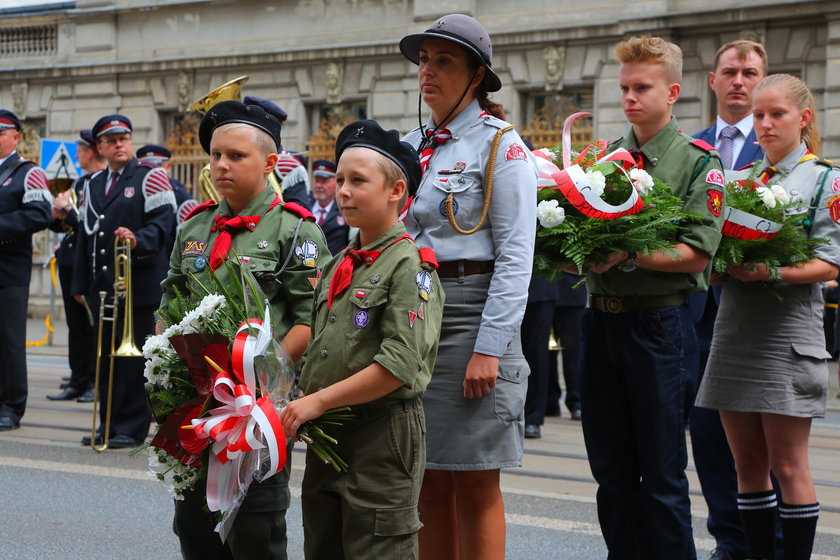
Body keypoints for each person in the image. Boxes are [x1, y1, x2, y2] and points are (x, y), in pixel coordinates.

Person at [158, 99, 328, 560]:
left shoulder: (296, 231)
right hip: (194, 402)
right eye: (215, 155)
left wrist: (259, 379)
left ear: (270, 163)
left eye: (236, 155)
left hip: (255, 407)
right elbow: (169, 301)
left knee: (256, 530)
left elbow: (311, 318)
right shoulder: (194, 226)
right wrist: (166, 361)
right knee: (193, 525)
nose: (220, 165)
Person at [578, 36, 724, 559]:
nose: (630, 97)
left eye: (642, 87)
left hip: (659, 327)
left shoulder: (696, 162)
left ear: (674, 93)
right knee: (611, 473)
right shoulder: (602, 161)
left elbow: (697, 252)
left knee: (661, 475)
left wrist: (627, 255)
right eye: (624, 88)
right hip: (599, 324)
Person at [399, 14, 537, 559]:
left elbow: (515, 256)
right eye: (424, 60)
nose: (427, 71)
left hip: (471, 314)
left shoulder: (501, 145)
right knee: (427, 476)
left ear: (477, 75)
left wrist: (491, 347)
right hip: (416, 316)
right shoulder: (411, 147)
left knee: (476, 479)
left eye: (444, 61)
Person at [279, 119, 443, 559]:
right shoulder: (341, 264)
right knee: (323, 545)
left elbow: (399, 365)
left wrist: (317, 401)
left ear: (396, 192)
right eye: (339, 180)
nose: (343, 191)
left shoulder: (410, 267)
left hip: (380, 438)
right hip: (329, 434)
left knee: (378, 546)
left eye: (358, 181)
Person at [696, 73, 840, 560]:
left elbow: (831, 262)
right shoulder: (741, 181)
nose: (764, 124)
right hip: (735, 329)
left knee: (788, 463)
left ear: (803, 119)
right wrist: (715, 267)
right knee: (747, 464)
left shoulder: (825, 178)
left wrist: (769, 268)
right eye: (758, 115)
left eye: (776, 114)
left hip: (787, 333)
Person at [690, 40, 771, 560]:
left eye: (750, 73)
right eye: (730, 72)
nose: (739, 81)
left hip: (758, 316)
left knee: (763, 439)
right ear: (713, 81)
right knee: (708, 436)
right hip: (696, 318)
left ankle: (771, 540)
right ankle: (729, 538)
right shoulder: (690, 146)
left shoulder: (779, 146)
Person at [71, 113, 175, 449]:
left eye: (125, 138)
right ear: (100, 147)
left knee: (131, 362)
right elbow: (86, 238)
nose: (120, 145)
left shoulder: (151, 177)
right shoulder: (93, 183)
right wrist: (79, 286)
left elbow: (164, 224)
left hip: (139, 285)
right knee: (105, 359)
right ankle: (109, 424)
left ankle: (130, 427)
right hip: (104, 287)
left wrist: (137, 239)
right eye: (112, 141)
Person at [0, 109, 52, 431]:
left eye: (1, 132)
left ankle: (11, 406)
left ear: (16, 137)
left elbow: (40, 214)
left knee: (8, 340)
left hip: (9, 269)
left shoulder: (27, 172)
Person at [47, 129, 105, 403]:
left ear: (90, 151)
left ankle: (95, 380)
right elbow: (69, 224)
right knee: (75, 325)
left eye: (80, 151)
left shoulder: (103, 182)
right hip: (71, 262)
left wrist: (69, 213)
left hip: (93, 264)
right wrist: (57, 215)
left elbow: (93, 226)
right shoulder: (80, 183)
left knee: (94, 326)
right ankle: (78, 378)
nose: (76, 156)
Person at [291, 158, 351, 255]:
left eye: (324, 181)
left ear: (336, 184)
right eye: (317, 181)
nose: (318, 185)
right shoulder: (303, 205)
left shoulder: (344, 209)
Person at [136, 143, 197, 226]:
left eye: (155, 166)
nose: (150, 171)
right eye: (145, 167)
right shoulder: (131, 188)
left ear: (168, 166)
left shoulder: (179, 194)